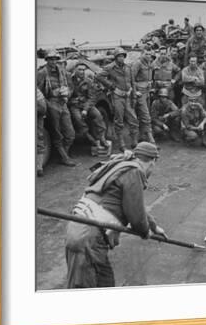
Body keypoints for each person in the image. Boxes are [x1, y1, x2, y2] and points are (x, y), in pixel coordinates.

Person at [65, 142, 167, 288]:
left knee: (104, 283)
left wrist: (154, 226)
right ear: (152, 161)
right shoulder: (134, 171)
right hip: (89, 237)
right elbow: (137, 218)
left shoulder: (121, 165)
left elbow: (134, 205)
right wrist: (145, 232)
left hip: (78, 228)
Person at [36, 50, 77, 167]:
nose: (53, 61)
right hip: (51, 103)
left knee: (70, 133)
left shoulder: (62, 72)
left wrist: (66, 94)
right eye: (50, 59)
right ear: (47, 60)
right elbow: (37, 91)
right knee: (57, 132)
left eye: (55, 59)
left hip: (63, 103)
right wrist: (49, 97)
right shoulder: (42, 73)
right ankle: (64, 157)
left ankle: (64, 154)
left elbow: (70, 87)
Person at [96, 47, 140, 151]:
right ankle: (121, 144)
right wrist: (111, 86)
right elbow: (98, 76)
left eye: (123, 56)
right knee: (119, 120)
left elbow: (132, 82)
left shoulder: (128, 67)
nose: (121, 58)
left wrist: (133, 95)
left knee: (133, 119)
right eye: (119, 56)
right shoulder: (110, 68)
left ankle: (134, 142)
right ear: (115, 57)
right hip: (117, 96)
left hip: (128, 96)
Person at [68, 62, 109, 151]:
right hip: (74, 105)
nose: (82, 71)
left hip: (86, 104)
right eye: (79, 69)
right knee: (78, 119)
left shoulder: (88, 81)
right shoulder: (69, 80)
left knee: (98, 115)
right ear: (75, 70)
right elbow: (68, 96)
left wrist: (86, 109)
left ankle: (101, 138)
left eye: (83, 70)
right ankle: (89, 137)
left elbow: (91, 97)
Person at [130, 47, 156, 143]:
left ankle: (142, 136)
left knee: (144, 114)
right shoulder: (138, 63)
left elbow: (151, 76)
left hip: (147, 91)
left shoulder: (150, 63)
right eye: (146, 54)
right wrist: (135, 91)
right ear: (142, 54)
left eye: (150, 54)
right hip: (140, 92)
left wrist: (151, 85)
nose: (148, 56)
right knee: (145, 115)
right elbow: (131, 79)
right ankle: (150, 138)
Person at [36, 87, 47, 176]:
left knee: (39, 137)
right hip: (41, 106)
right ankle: (39, 167)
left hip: (39, 106)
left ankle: (39, 167)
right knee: (39, 137)